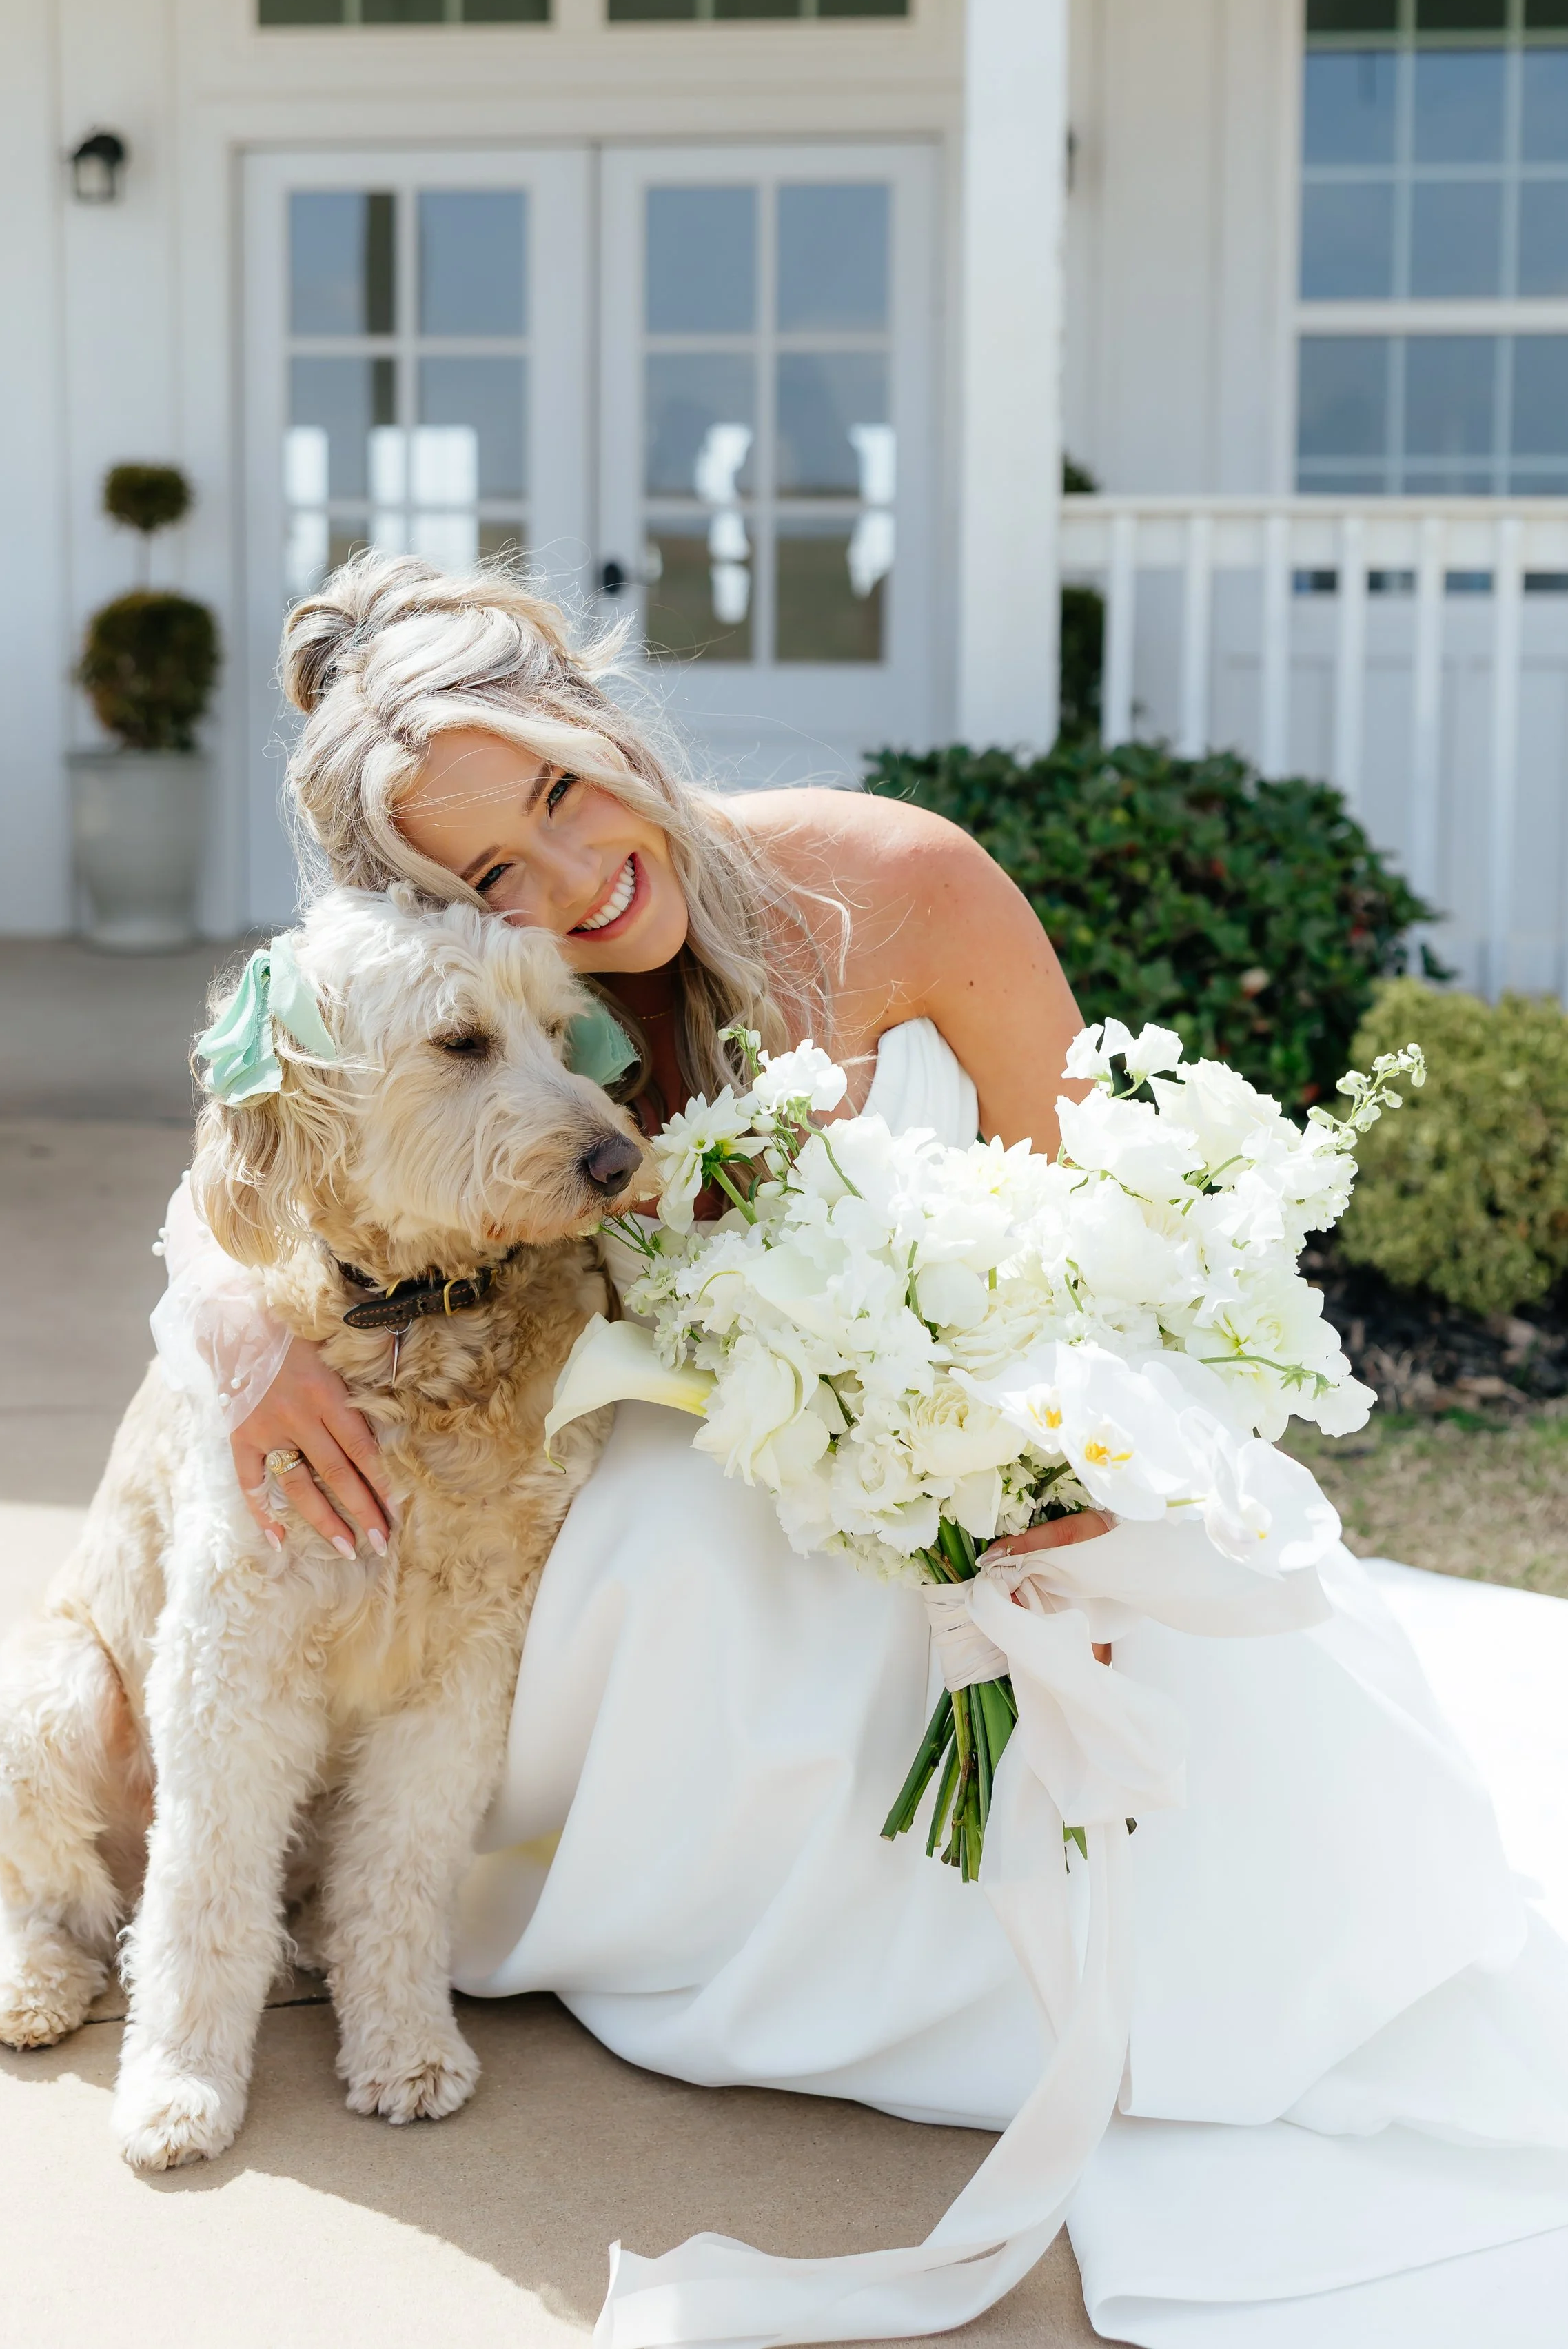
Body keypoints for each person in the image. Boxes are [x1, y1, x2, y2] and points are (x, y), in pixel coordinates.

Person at [156, 557, 1568, 2347]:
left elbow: (1085, 1213)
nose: (573, 872)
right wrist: (223, 1315)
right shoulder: (490, 1013)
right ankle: (591, 1918)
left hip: (949, 1434)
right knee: (653, 1541)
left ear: (600, 715)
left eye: (564, 789)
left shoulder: (897, 878)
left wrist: (1043, 1463)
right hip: (675, 1470)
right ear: (452, 920)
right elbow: (242, 1142)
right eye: (495, 874)